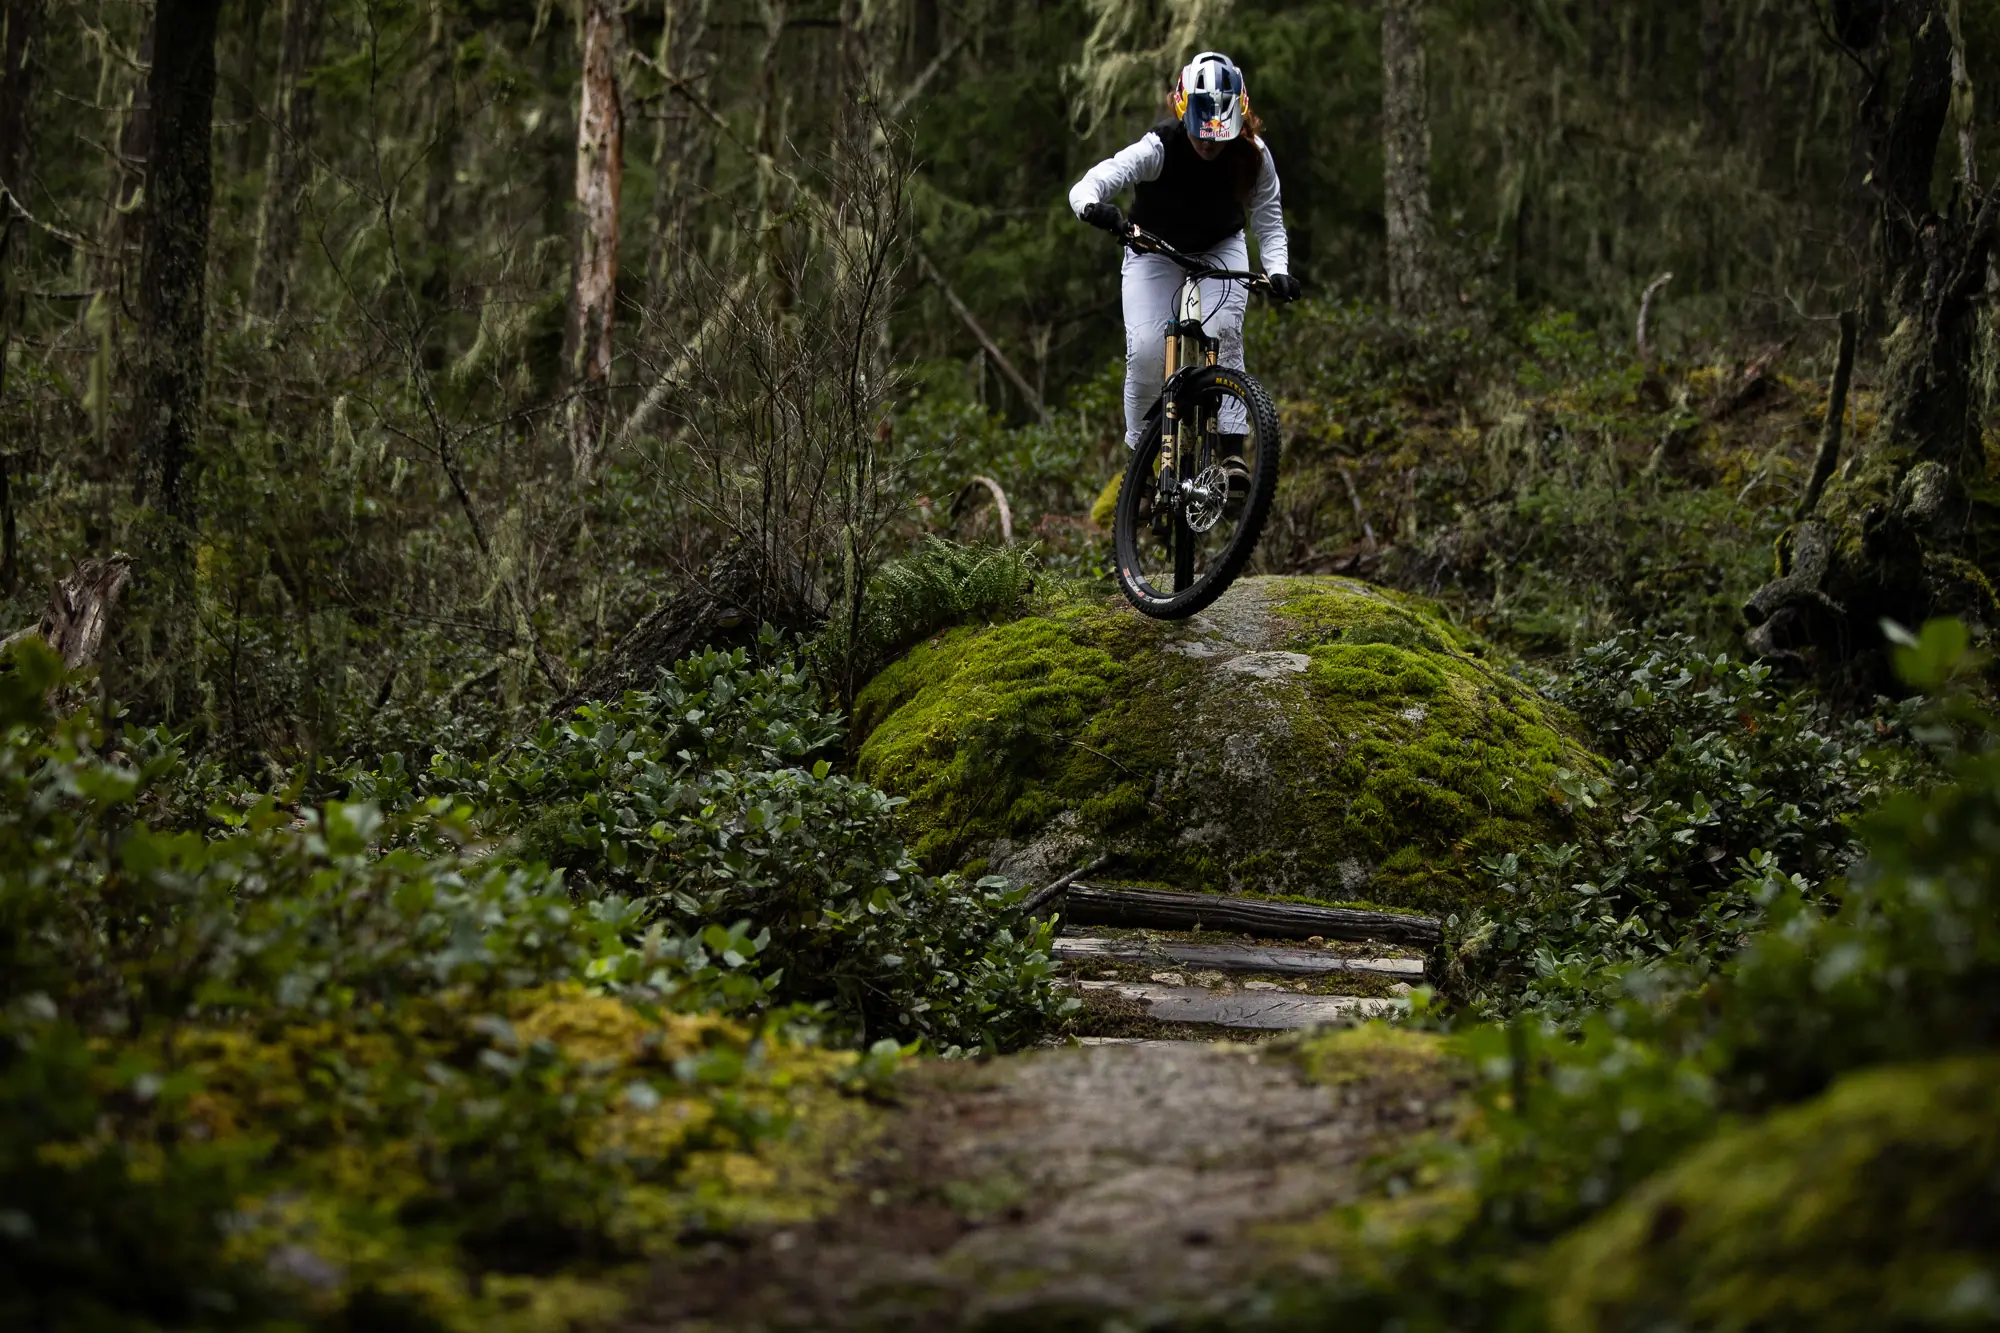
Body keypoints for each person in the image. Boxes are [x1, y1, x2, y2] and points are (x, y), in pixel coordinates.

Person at [1068, 51, 1301, 456]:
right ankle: (1141, 459)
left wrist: (1277, 269)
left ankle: (1232, 455)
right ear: (1183, 113)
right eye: (1200, 132)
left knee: (1224, 332)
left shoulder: (1253, 155)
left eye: (1219, 134)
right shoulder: (1159, 147)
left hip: (1219, 246)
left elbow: (1268, 217)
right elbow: (1098, 179)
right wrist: (1091, 206)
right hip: (1153, 250)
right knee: (1146, 350)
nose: (1208, 143)